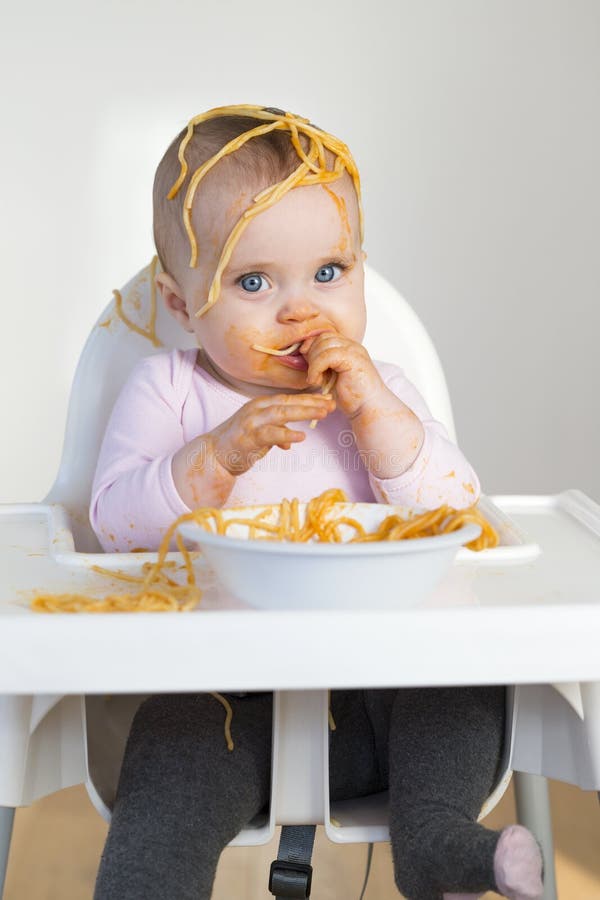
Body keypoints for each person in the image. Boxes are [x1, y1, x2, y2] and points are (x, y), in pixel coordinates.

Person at [90, 105, 543, 900]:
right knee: (167, 751)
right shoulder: (168, 390)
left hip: (384, 697)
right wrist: (219, 455)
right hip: (229, 706)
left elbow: (461, 515)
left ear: (361, 266)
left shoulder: (380, 395)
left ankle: (442, 846)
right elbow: (115, 525)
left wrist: (376, 420)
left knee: (464, 682)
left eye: (329, 274)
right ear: (179, 299)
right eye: (254, 282)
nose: (301, 312)